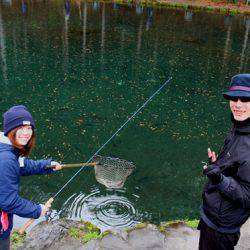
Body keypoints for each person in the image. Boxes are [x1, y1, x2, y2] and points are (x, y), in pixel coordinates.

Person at [199, 73, 250, 250]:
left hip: (222, 229)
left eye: (245, 99)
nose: (237, 104)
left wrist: (219, 179)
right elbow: (236, 165)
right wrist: (218, 165)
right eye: (233, 98)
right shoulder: (239, 126)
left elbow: (247, 197)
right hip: (211, 217)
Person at [0, 105, 62, 250]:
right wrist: (38, 210)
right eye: (20, 128)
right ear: (10, 130)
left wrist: (46, 165)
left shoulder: (7, 148)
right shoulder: (5, 159)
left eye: (29, 128)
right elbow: (7, 202)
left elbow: (21, 165)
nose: (26, 133)